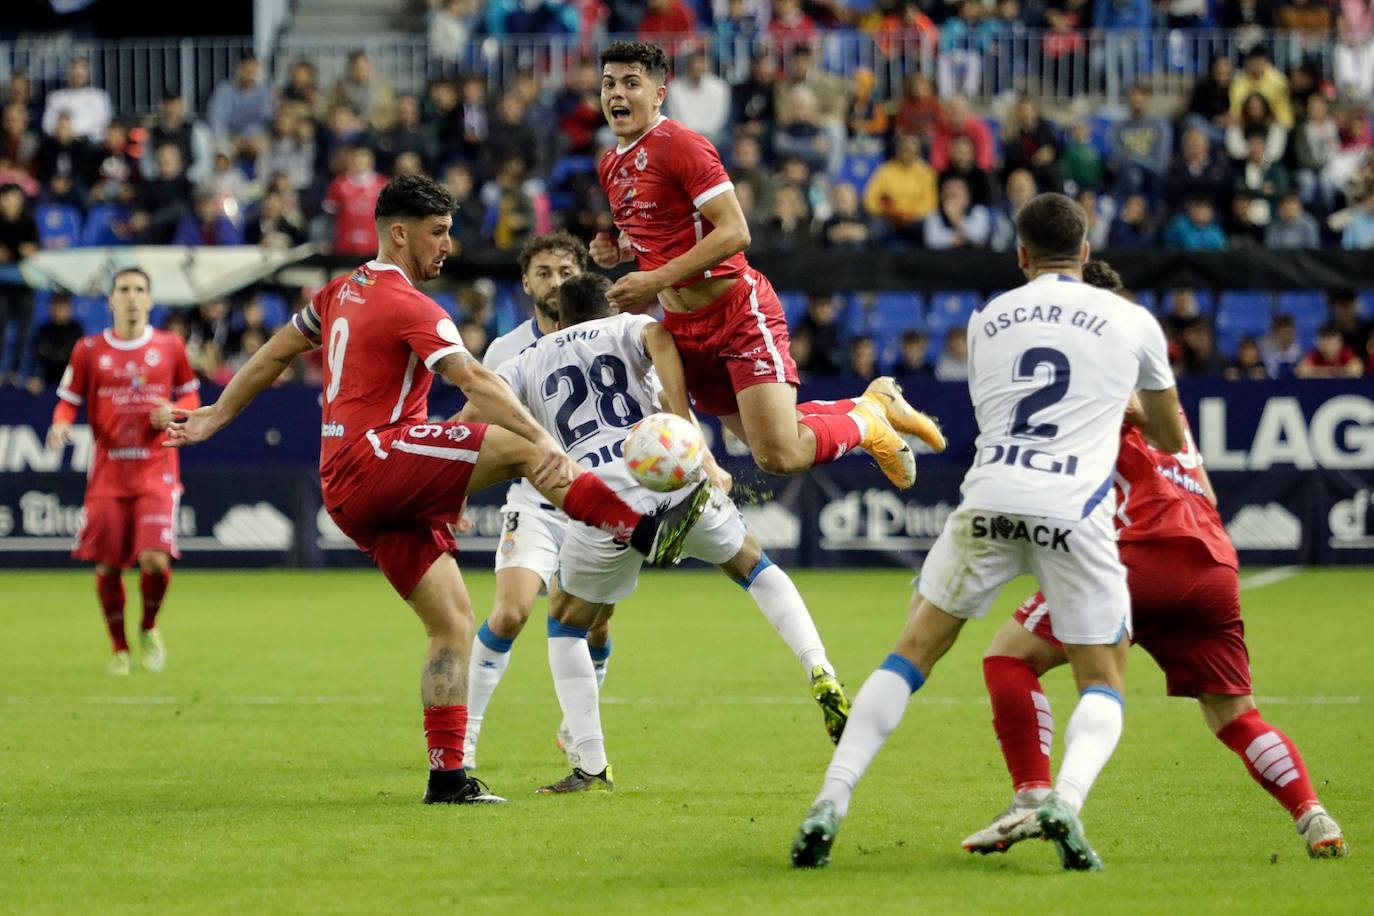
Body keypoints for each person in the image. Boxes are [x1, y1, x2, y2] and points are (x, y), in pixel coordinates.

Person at [166, 175, 715, 806]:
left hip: (349, 487)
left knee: (453, 623)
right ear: (399, 233)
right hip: (376, 458)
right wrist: (546, 443)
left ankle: (447, 779)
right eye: (438, 232)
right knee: (522, 448)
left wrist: (215, 414)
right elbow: (477, 382)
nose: (448, 246)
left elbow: (273, 355)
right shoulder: (413, 306)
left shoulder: (338, 291)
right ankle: (641, 529)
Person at [790, 193, 1186, 871]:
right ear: (1087, 254)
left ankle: (831, 799)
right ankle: (1063, 798)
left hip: (992, 495)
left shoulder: (988, 320)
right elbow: (1173, 436)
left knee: (911, 652)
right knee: (1102, 678)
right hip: (1074, 508)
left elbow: (1000, 411)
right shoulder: (1132, 320)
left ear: (1021, 256)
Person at [960, 260, 1349, 860]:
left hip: (1138, 557)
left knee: (1007, 660)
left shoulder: (1101, 380)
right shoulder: (1174, 414)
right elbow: (1209, 493)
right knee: (1235, 714)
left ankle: (1035, 799)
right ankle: (1313, 815)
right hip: (1212, 565)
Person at [468, 271, 849, 793]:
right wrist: (682, 416)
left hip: (603, 499)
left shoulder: (525, 360)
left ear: (556, 319)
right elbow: (659, 337)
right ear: (606, 307)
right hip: (673, 473)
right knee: (755, 567)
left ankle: (591, 766)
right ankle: (819, 666)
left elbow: (475, 410)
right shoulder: (628, 325)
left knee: (565, 623)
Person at [590, 41, 944, 492]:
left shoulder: (683, 145)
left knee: (782, 452)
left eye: (631, 83)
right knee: (770, 446)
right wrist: (619, 251)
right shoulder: (610, 165)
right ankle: (873, 402)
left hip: (736, 311)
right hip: (684, 327)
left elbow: (736, 232)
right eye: (608, 84)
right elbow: (660, 229)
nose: (616, 93)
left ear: (659, 94)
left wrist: (655, 279)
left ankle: (869, 421)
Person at [463, 231, 608, 769]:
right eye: (544, 273)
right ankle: (464, 736)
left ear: (583, 277)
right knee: (509, 613)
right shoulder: (505, 350)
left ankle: (578, 730)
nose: (555, 283)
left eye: (566, 273)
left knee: (596, 627)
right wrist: (449, 486)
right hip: (537, 504)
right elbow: (473, 425)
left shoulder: (610, 335)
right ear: (526, 282)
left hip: (600, 510)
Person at [47, 268, 200, 674]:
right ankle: (119, 649)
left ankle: (148, 627)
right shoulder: (89, 349)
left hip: (157, 470)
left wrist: (175, 414)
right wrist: (61, 422)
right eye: (124, 290)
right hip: (109, 472)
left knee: (153, 560)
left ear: (150, 300)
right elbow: (68, 398)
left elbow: (191, 395)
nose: (132, 297)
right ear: (111, 300)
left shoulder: (170, 347)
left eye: (139, 290)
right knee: (109, 566)